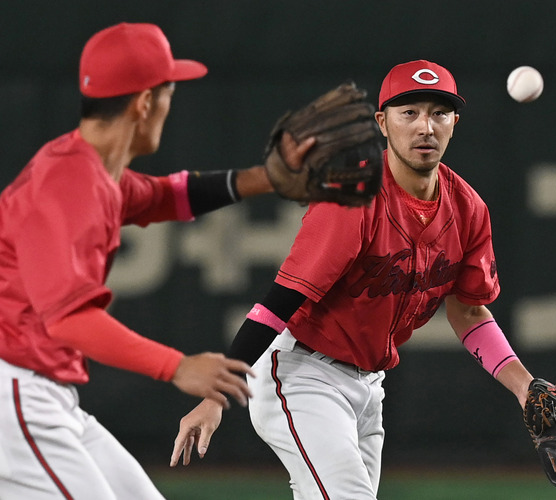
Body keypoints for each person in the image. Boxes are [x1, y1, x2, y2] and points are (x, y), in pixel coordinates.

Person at [171, 59, 536, 499]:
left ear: (455, 121)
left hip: (368, 390)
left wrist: (526, 388)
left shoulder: (468, 209)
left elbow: (469, 307)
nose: (425, 127)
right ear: (382, 123)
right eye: (409, 112)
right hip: (302, 375)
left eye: (439, 113)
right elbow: (279, 301)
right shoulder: (354, 199)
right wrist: (216, 397)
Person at [0, 22, 312, 500]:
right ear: (145, 102)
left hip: (43, 396)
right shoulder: (68, 181)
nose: (170, 104)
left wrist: (267, 178)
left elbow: (168, 195)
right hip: (14, 393)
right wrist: (177, 366)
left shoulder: (92, 171)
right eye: (169, 91)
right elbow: (68, 319)